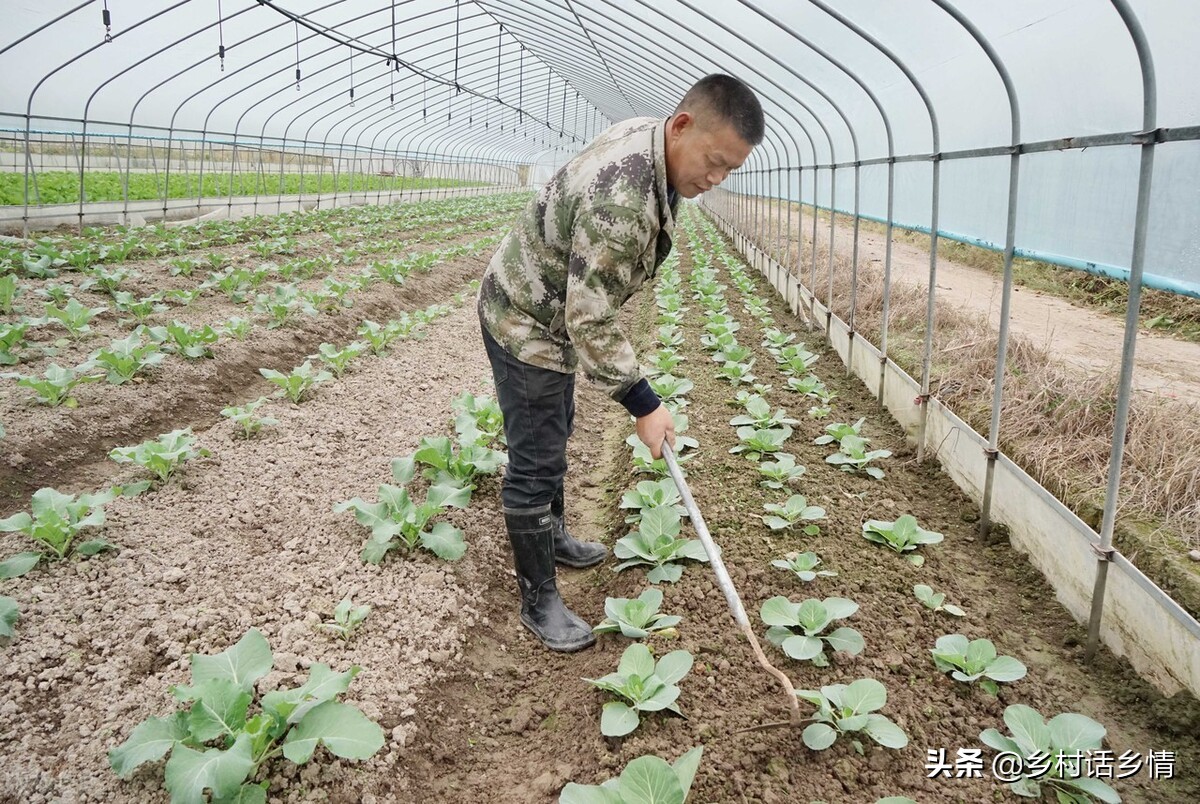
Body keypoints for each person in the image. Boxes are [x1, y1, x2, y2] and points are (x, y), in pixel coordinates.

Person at [478, 74, 764, 652]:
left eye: (729, 170)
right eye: (713, 162)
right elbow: (589, 316)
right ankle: (538, 599)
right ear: (681, 126)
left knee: (557, 424)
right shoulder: (623, 200)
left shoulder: (653, 141)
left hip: (551, 312)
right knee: (536, 457)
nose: (715, 179)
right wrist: (644, 404)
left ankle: (554, 535)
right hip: (525, 318)